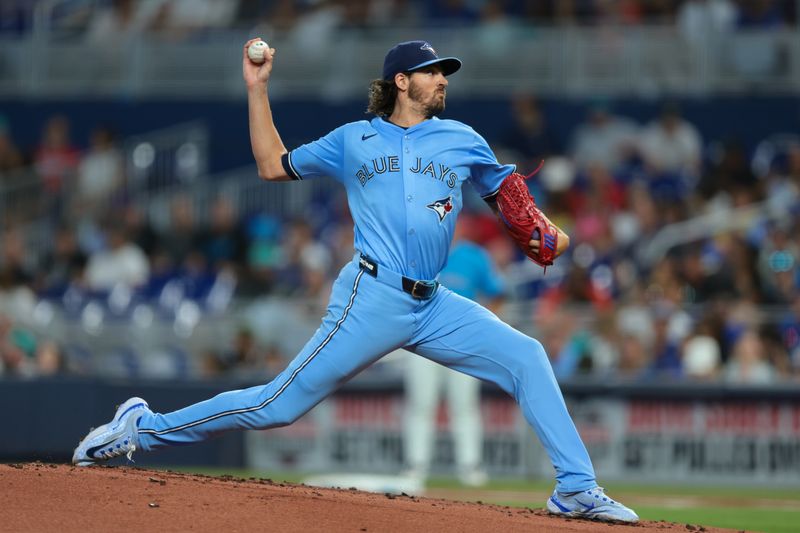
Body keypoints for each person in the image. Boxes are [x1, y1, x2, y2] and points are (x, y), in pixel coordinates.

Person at [73, 39, 638, 524]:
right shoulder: (353, 140)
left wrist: (549, 235)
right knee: (277, 405)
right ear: (401, 81)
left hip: (434, 303)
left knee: (527, 356)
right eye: (433, 71)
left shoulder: (463, 138)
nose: (443, 79)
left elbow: (520, 212)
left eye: (445, 72)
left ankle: (575, 490)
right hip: (372, 296)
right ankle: (141, 429)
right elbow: (273, 165)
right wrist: (257, 88)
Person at [403, 215, 503, 487]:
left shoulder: (474, 255)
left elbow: (497, 292)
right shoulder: (419, 249)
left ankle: (470, 467)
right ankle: (416, 465)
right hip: (421, 337)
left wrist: (486, 327)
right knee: (421, 403)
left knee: (464, 405)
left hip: (462, 338)